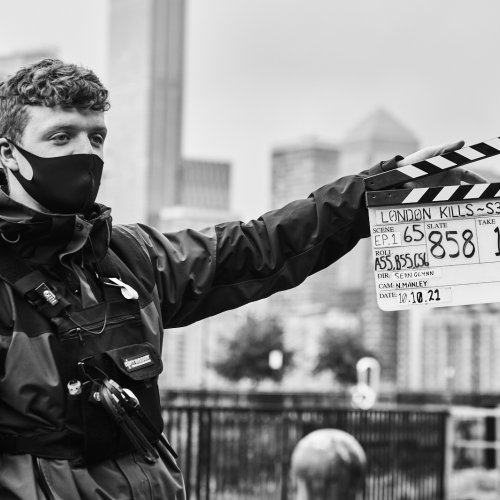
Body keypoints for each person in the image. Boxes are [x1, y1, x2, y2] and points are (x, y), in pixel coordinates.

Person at [0, 58, 484, 500]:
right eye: (62, 137)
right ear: (8, 153)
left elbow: (259, 246)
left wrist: (368, 194)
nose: (86, 153)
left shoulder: (130, 257)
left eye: (97, 137)